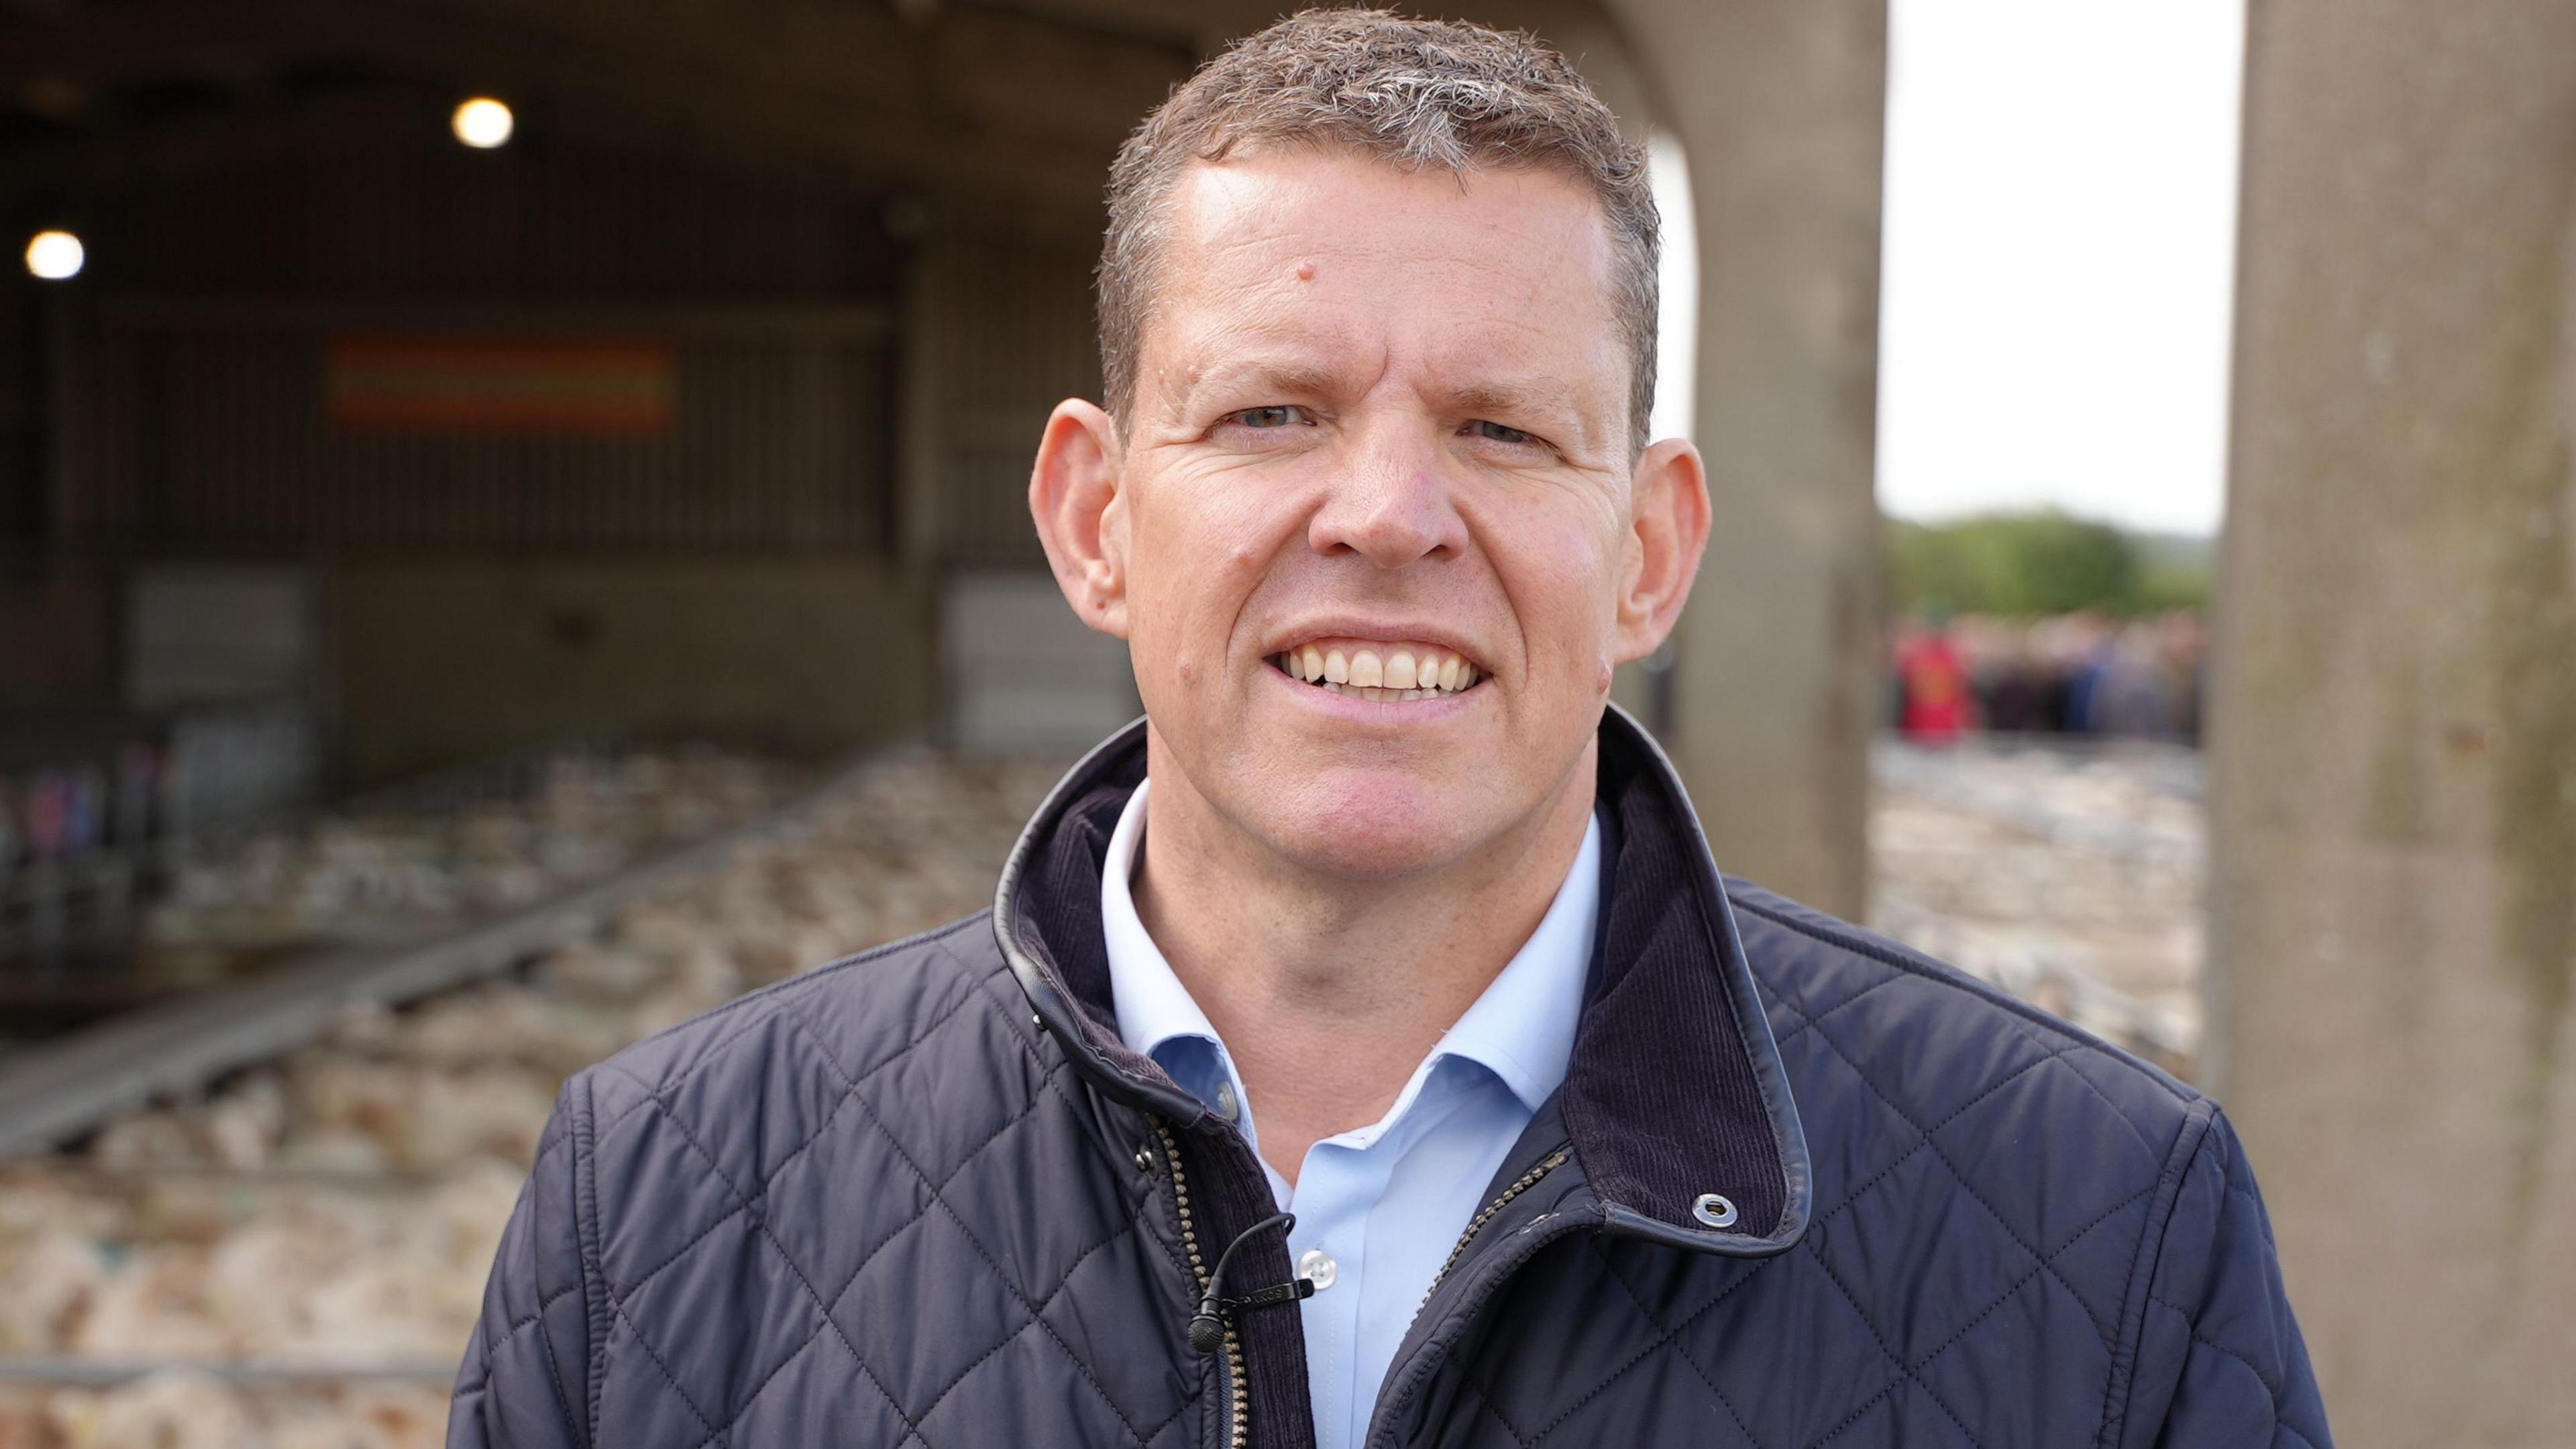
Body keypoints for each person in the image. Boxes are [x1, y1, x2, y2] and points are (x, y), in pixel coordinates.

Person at [450, 12, 2330, 1448]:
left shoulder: (2102, 1235)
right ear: (1097, 519)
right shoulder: (668, 1206)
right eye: (1270, 414)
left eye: (1503, 431)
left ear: (1652, 552)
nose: (1387, 516)